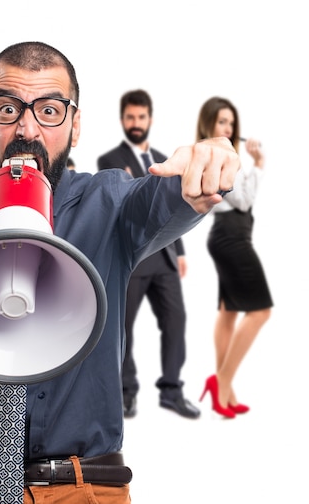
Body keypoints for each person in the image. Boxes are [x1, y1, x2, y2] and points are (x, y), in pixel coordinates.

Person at [0, 41, 239, 502]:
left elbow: (170, 202)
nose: (27, 128)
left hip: (87, 488)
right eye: (8, 107)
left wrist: (206, 167)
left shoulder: (112, 203)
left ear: (75, 127)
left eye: (50, 111)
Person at [97, 89, 199, 419]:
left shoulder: (163, 155)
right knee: (122, 327)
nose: (136, 123)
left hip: (166, 258)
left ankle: (172, 390)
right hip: (134, 258)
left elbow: (173, 203)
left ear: (150, 119)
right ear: (123, 120)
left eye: (141, 117)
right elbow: (135, 202)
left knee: (175, 322)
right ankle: (126, 392)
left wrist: (180, 251)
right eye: (130, 117)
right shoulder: (109, 160)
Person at [195, 96, 273, 419]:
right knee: (260, 311)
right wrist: (259, 164)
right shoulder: (218, 154)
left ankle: (225, 391)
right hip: (230, 235)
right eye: (221, 122)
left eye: (231, 122)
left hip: (233, 234)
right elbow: (242, 201)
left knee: (229, 311)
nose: (227, 127)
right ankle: (222, 381)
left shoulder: (228, 154)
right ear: (209, 124)